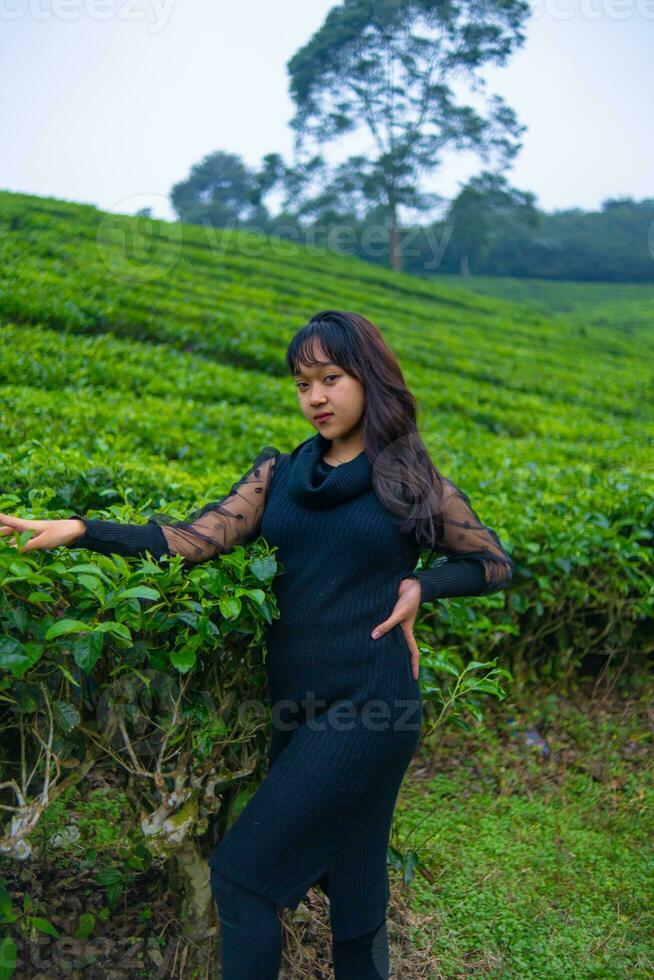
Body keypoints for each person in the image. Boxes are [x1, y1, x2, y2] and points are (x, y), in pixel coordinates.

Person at [0, 310, 513, 978]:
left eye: (331, 378)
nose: (316, 398)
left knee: (243, 877)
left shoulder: (409, 480)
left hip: (372, 706)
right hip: (298, 709)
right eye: (303, 384)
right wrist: (78, 527)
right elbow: (192, 540)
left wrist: (421, 585)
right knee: (356, 893)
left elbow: (492, 564)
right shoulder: (280, 475)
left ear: (370, 378)